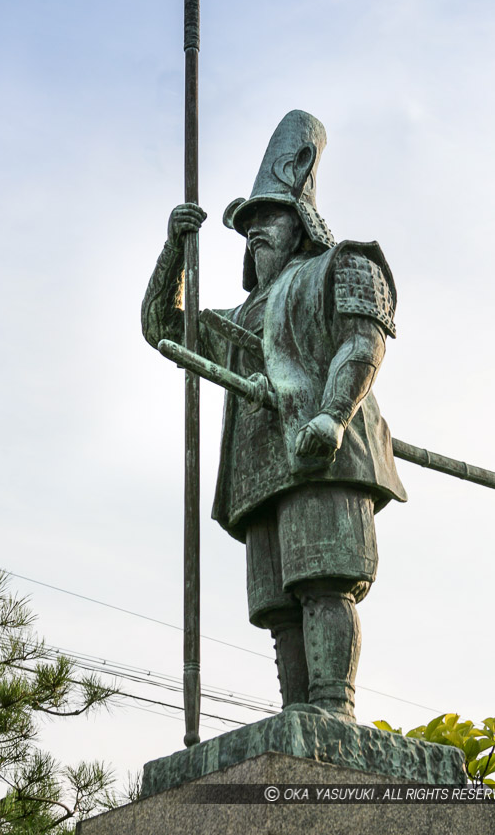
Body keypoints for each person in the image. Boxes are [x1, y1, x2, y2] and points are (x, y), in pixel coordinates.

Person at [141, 110, 406, 719]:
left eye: (268, 216)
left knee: (323, 579)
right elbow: (163, 331)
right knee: (278, 605)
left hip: (320, 454)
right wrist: (175, 253)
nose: (255, 230)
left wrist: (334, 414)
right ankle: (297, 711)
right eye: (248, 223)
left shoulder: (343, 265)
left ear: (300, 221)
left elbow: (362, 343)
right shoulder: (240, 318)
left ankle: (332, 706)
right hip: (258, 467)